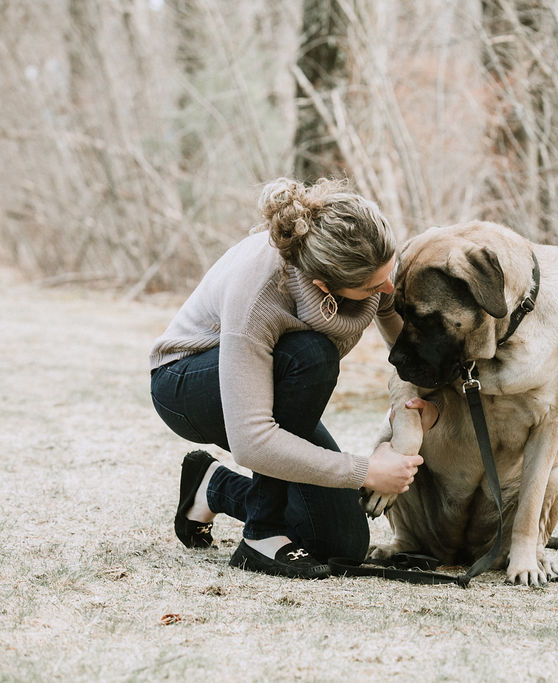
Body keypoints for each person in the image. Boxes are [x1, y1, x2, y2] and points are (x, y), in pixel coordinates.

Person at [149, 177, 436, 579]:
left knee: (340, 544)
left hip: (274, 383)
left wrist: (413, 409)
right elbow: (252, 442)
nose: (389, 288)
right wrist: (366, 471)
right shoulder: (259, 296)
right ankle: (261, 535)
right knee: (311, 354)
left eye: (390, 273)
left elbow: (403, 346)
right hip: (186, 383)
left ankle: (212, 485)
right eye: (375, 285)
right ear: (324, 285)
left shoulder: (368, 256)